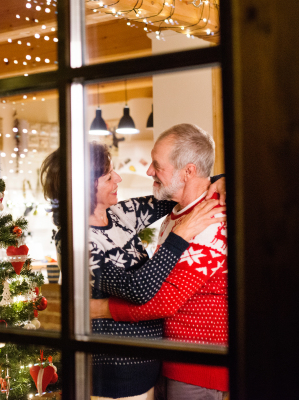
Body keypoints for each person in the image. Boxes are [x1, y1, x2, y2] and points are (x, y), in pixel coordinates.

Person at [40, 142, 226, 400]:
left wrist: (221, 180)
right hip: (113, 379)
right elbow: (138, 290)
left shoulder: (119, 215)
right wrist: (181, 235)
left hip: (150, 370)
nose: (118, 178)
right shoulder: (75, 240)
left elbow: (181, 190)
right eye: (108, 176)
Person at [90, 124, 229, 400]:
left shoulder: (212, 221)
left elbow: (164, 299)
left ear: (187, 171)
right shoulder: (176, 216)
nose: (149, 171)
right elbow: (153, 282)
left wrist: (98, 309)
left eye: (157, 164)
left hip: (196, 368)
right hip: (169, 363)